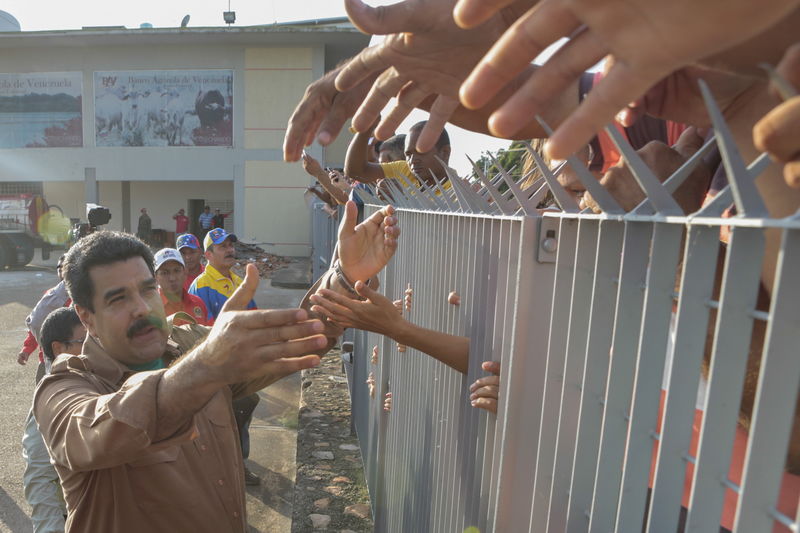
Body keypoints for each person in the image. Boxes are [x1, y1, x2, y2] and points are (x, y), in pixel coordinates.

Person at [33, 231, 327, 532]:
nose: (143, 308)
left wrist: (345, 280)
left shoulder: (190, 344)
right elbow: (100, 430)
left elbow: (301, 338)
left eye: (148, 290)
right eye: (118, 299)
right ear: (86, 318)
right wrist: (205, 366)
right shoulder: (62, 388)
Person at [188, 227, 260, 485]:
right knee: (219, 419)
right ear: (207, 254)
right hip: (217, 367)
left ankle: (239, 466)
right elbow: (201, 332)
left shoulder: (238, 280)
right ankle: (221, 470)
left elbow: (252, 317)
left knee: (242, 411)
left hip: (239, 364)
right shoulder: (201, 286)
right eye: (222, 247)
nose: (230, 250)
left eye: (231, 245)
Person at [23, 307, 85, 533]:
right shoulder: (49, 402)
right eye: (83, 340)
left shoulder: (99, 382)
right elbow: (40, 478)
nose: (94, 347)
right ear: (59, 349)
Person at [345, 120, 455, 190]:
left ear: (445, 152)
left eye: (421, 152)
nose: (413, 160)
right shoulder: (403, 170)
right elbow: (356, 171)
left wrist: (401, 199)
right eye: (408, 154)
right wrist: (367, 127)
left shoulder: (459, 194)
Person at [153, 248, 209, 326]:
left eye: (176, 271)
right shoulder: (151, 309)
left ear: (185, 272)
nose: (172, 278)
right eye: (165, 273)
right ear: (155, 277)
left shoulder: (198, 303)